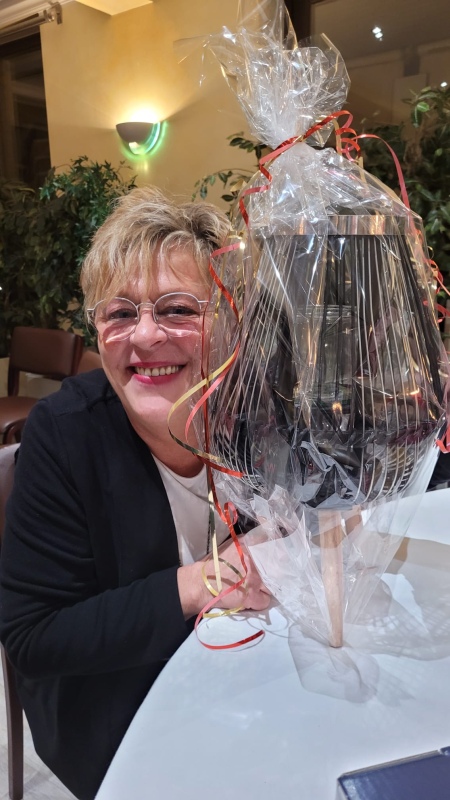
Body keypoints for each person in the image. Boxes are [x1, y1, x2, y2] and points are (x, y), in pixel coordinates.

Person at [0, 187, 271, 800]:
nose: (144, 337)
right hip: (117, 707)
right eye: (119, 314)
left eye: (177, 309)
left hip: (251, 669)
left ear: (231, 322)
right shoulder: (66, 434)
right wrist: (205, 581)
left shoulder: (256, 410)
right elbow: (34, 637)